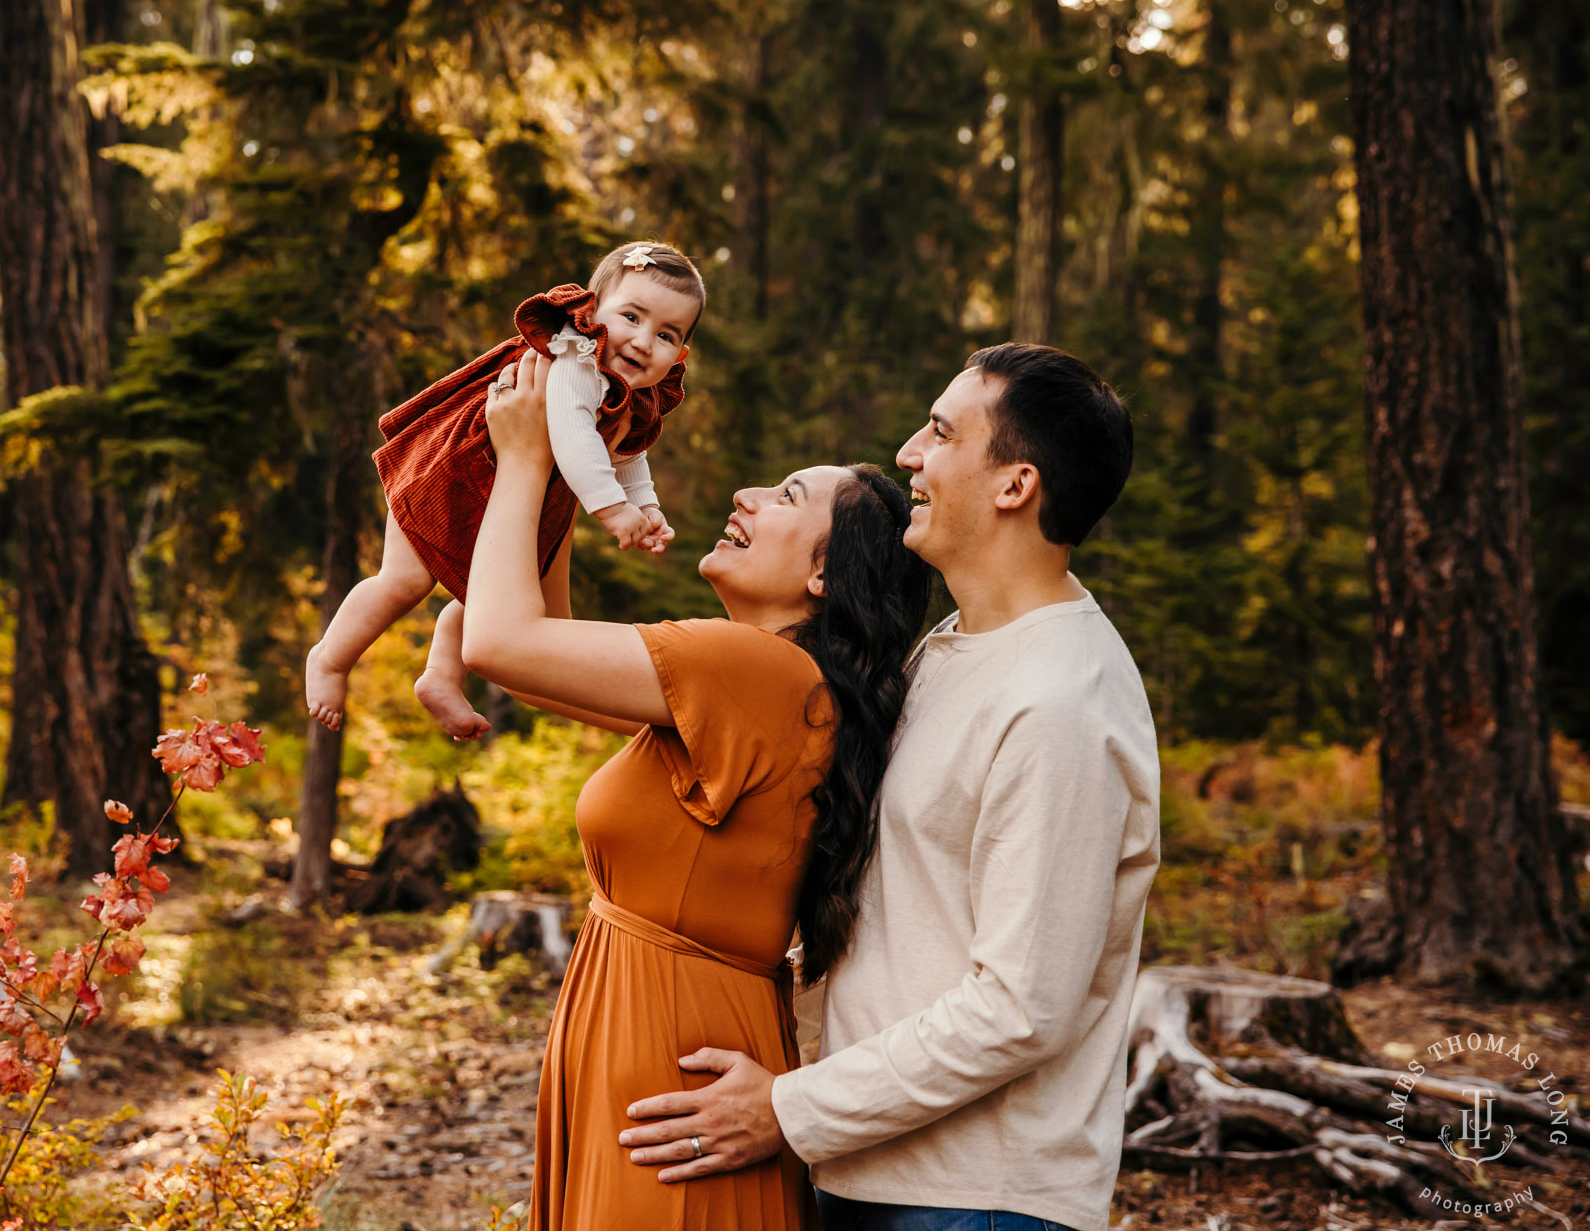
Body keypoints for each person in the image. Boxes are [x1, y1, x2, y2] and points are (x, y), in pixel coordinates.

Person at [618, 343, 1162, 1231]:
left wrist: (789, 1109)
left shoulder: (1061, 700)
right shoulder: (954, 648)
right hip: (879, 1174)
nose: (909, 452)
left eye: (941, 433)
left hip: (975, 1202)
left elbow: (1023, 1007)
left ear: (1014, 485)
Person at [462, 348, 932, 1230]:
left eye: (787, 495)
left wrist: (524, 459)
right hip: (673, 1044)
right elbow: (540, 661)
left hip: (668, 1064)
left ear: (825, 577)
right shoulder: (772, 684)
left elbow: (497, 644)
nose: (747, 496)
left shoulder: (749, 666)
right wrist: (568, 465)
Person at [305, 241, 703, 741]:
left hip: (506, 489)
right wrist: (615, 510)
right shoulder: (577, 360)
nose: (644, 341)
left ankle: (442, 675)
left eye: (665, 334)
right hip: (449, 469)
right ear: (592, 310)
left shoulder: (632, 390)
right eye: (631, 316)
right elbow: (574, 436)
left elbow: (628, 453)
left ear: (681, 353)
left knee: (503, 591)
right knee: (404, 582)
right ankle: (330, 658)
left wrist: (646, 505)